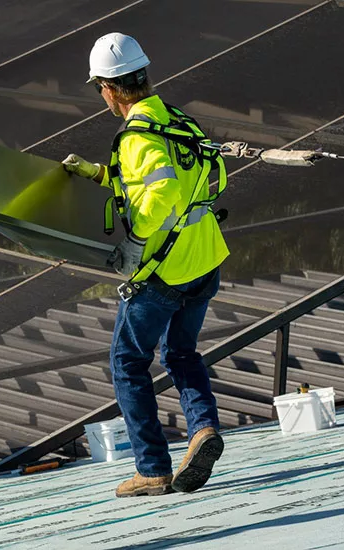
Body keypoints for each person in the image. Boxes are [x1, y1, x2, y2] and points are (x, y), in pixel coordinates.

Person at [62, 33, 229, 497]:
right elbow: (203, 178)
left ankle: (152, 469)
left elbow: (162, 191)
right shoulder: (177, 120)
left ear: (108, 88)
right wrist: (97, 174)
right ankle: (203, 429)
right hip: (204, 259)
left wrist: (136, 241)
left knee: (128, 363)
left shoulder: (136, 136)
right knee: (181, 354)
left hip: (162, 273)